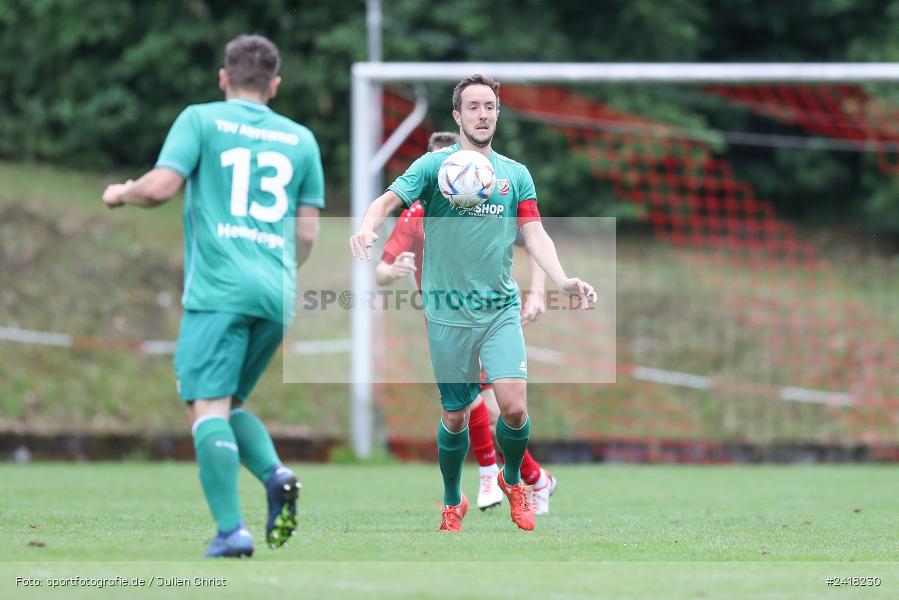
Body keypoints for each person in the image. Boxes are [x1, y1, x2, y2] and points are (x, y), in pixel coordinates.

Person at [102, 34, 324, 557]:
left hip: (220, 288)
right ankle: (275, 475)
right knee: (228, 404)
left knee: (205, 409)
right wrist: (276, 269)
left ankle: (232, 531)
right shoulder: (302, 139)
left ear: (224, 78)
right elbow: (309, 234)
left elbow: (159, 188)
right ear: (274, 85)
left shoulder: (200, 120)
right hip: (276, 292)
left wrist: (121, 192)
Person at [351, 74, 596, 532]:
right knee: (455, 415)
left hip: (498, 309)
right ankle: (451, 501)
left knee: (515, 406)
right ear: (458, 116)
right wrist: (366, 227)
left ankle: (512, 482)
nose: (483, 114)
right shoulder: (432, 169)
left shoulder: (514, 174)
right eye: (474, 106)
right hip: (446, 314)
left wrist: (560, 281)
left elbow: (534, 233)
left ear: (498, 113)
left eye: (490, 106)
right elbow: (385, 202)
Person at [375, 132, 558, 515]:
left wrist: (539, 291)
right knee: (479, 407)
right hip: (444, 320)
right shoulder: (416, 215)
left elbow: (534, 240)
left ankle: (496, 476)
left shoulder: (490, 196)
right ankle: (535, 478)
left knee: (495, 406)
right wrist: (393, 270)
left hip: (490, 314)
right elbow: (381, 269)